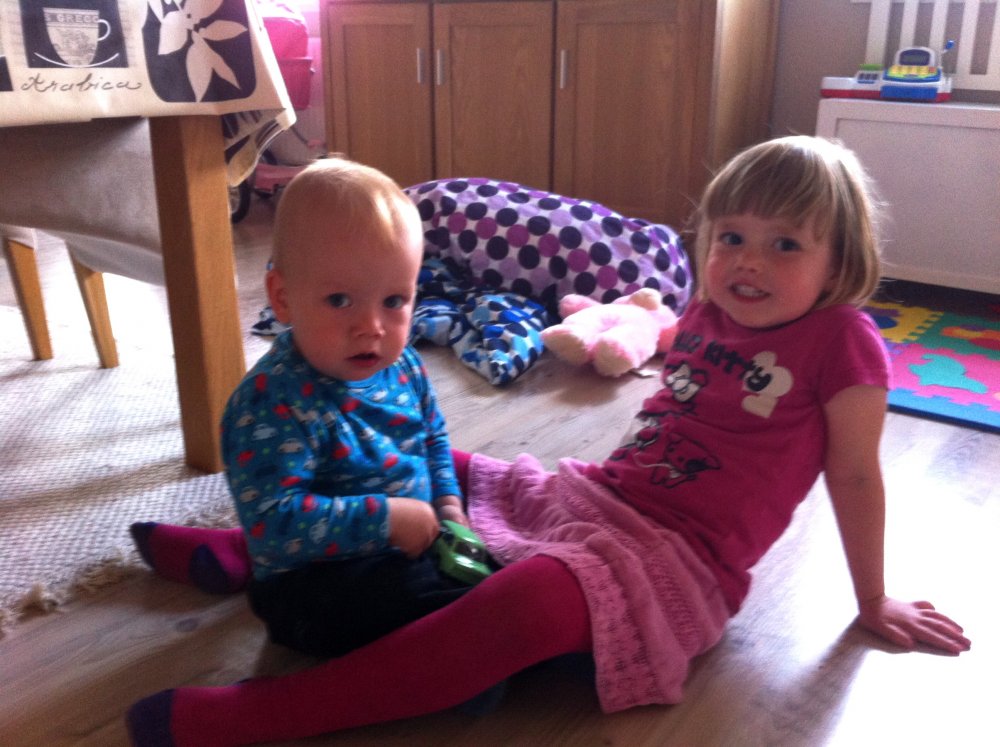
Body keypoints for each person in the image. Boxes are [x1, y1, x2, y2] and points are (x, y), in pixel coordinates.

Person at [127, 136, 970, 747]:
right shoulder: (711, 310)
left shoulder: (843, 341)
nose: (749, 262)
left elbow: (856, 477)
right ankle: (255, 546)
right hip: (599, 495)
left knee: (529, 600)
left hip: (682, 557)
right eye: (732, 238)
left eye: (785, 243)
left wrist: (872, 600)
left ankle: (277, 711)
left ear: (838, 262)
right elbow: (666, 373)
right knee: (432, 463)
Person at [133, 157, 481, 667]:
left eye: (394, 301)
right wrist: (385, 520)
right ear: (282, 298)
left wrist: (448, 502)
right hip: (311, 583)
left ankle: (228, 553)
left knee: (482, 560)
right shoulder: (271, 404)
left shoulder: (404, 365)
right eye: (340, 300)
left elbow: (432, 438)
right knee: (445, 612)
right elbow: (276, 522)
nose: (371, 327)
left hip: (405, 541)